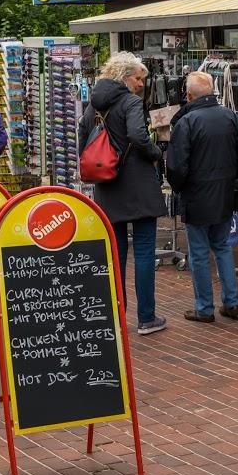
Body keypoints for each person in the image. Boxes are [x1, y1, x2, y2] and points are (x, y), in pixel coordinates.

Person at [78, 52, 167, 336]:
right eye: (138, 78)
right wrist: (155, 153)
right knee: (143, 251)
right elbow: (138, 137)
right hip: (137, 184)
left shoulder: (93, 106)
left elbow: (82, 140)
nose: (141, 84)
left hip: (107, 186)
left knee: (115, 255)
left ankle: (117, 316)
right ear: (124, 76)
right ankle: (146, 318)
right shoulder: (130, 101)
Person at [166, 71, 238, 323]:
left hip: (196, 195)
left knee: (199, 253)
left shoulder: (186, 122)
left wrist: (180, 186)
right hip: (223, 193)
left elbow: (176, 165)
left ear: (189, 95)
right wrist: (228, 177)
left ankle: (204, 308)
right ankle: (231, 301)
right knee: (223, 247)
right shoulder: (230, 117)